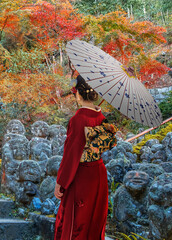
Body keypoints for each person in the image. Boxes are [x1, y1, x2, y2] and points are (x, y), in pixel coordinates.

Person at [54, 75, 108, 240]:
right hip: (99, 174)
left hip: (81, 176)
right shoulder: (102, 118)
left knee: (76, 224)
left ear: (78, 94)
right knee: (94, 223)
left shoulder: (78, 119)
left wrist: (61, 182)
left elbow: (72, 154)